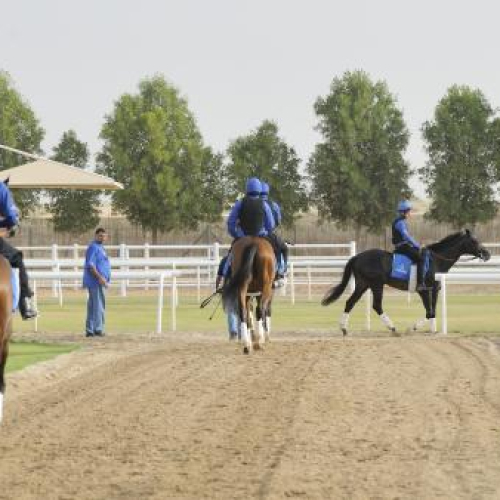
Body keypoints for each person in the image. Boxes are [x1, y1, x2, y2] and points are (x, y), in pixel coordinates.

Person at [223, 177, 275, 280]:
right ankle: (276, 274)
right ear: (259, 190)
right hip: (261, 235)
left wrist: (236, 235)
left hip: (243, 236)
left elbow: (231, 222)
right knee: (274, 253)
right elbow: (271, 224)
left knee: (230, 256)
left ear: (247, 189)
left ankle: (226, 276)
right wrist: (266, 232)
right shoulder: (264, 204)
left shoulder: (240, 203)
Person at [0, 180, 37, 319]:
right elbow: (11, 216)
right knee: (17, 258)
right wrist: (10, 226)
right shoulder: (1, 188)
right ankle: (25, 305)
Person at [392, 200, 429, 291]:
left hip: (403, 246)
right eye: (408, 211)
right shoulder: (400, 223)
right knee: (421, 257)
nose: (410, 213)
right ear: (403, 212)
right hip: (403, 247)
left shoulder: (400, 221)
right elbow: (407, 237)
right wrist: (417, 246)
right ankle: (420, 284)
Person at [83, 228, 111, 337]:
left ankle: (90, 330)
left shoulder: (101, 248)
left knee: (93, 305)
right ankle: (98, 328)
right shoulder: (93, 247)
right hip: (95, 282)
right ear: (95, 236)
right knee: (98, 305)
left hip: (98, 281)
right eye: (100, 236)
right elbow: (90, 265)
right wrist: (100, 278)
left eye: (104, 236)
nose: (102, 238)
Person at [260, 181, 288, 286]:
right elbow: (277, 221)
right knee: (284, 248)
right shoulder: (273, 205)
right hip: (268, 234)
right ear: (267, 192)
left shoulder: (250, 202)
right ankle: (281, 272)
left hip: (251, 234)